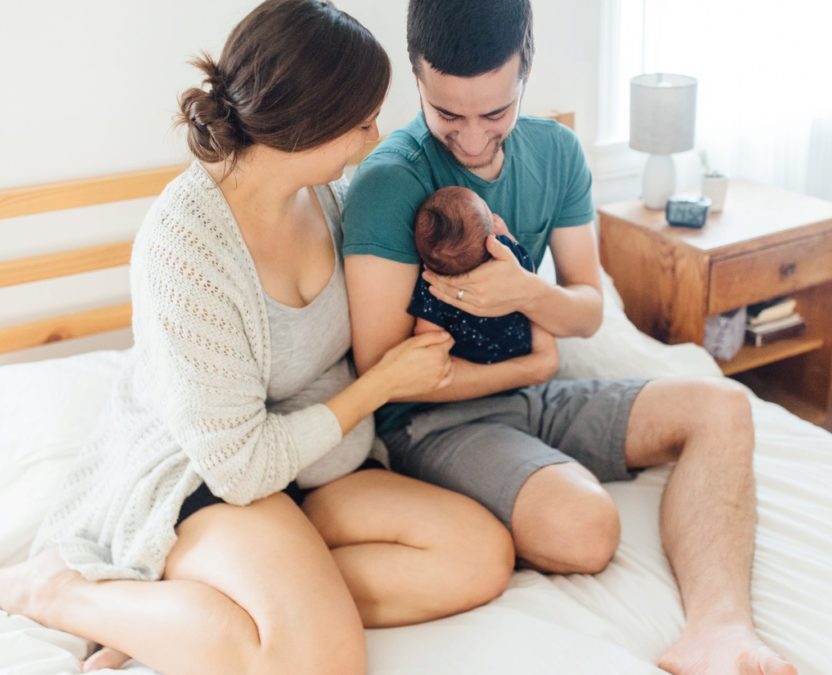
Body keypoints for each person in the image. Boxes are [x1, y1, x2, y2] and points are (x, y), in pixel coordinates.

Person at [0, 1, 514, 673]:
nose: (374, 134)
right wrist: (381, 386)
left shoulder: (329, 195)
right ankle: (60, 591)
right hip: (209, 476)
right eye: (361, 120)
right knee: (320, 657)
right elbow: (238, 466)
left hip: (314, 463)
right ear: (308, 127)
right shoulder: (184, 250)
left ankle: (218, 598)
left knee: (478, 554)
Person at [342, 1, 798, 673]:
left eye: (494, 114)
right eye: (447, 115)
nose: (471, 141)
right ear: (416, 75)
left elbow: (587, 308)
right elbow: (386, 373)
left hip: (540, 392)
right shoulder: (389, 182)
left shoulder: (556, 152)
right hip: (439, 422)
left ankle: (719, 627)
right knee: (589, 529)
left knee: (722, 406)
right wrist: (534, 361)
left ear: (526, 64)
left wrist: (529, 296)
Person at [410, 185, 534, 364]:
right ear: (491, 237)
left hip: (467, 364)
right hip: (519, 352)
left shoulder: (432, 283)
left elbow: (427, 330)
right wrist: (507, 235)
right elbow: (529, 271)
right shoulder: (505, 255)